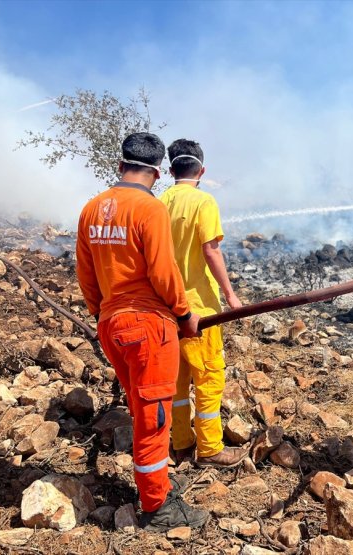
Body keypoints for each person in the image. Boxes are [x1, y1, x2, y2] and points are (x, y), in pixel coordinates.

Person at [76, 132, 209, 531]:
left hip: (111, 324)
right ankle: (157, 507)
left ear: (120, 166)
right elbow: (164, 272)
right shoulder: (150, 210)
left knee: (141, 407)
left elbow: (86, 274)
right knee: (154, 417)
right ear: (157, 173)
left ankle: (158, 485)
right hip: (149, 326)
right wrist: (184, 314)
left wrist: (101, 312)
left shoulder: (91, 209)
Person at [159, 139, 247, 468]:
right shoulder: (203, 201)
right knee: (209, 378)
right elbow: (211, 250)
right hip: (201, 310)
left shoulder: (159, 201)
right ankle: (210, 449)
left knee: (178, 382)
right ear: (202, 170)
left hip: (168, 309)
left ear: (170, 170)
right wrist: (231, 295)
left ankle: (181, 444)